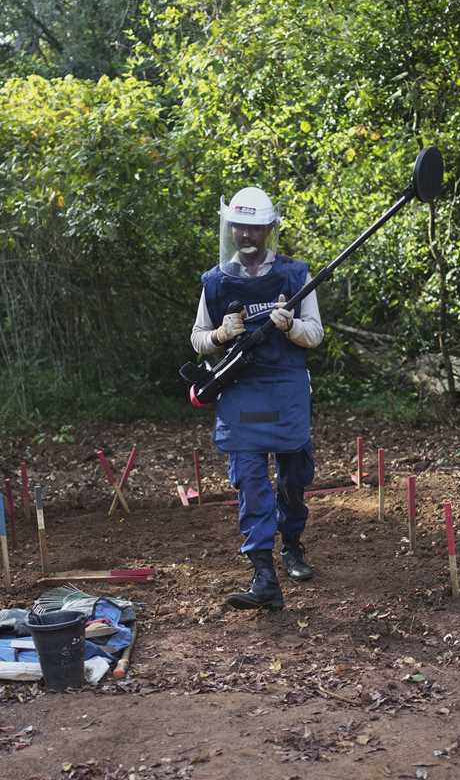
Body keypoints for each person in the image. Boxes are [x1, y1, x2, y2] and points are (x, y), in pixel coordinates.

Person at [189, 186, 325, 611]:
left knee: (293, 478)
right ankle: (263, 573)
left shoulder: (295, 275)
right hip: (243, 395)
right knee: (250, 481)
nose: (246, 235)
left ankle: (293, 546)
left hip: (286, 392)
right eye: (239, 227)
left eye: (255, 228)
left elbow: (315, 333)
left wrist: (290, 327)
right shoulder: (215, 281)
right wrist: (220, 335)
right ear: (231, 228)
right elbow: (198, 338)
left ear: (269, 229)